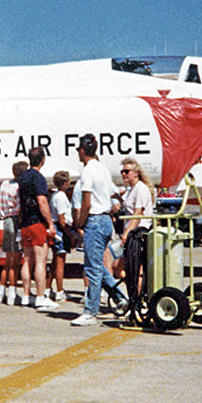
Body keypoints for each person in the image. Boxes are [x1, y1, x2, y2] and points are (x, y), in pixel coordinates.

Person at [71, 134, 128, 326]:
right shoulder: (102, 168)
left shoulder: (87, 171)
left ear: (81, 150)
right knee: (98, 266)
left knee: (92, 268)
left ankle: (90, 311)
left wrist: (79, 222)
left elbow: (86, 202)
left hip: (94, 220)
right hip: (106, 220)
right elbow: (115, 193)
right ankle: (120, 298)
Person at [17, 147, 57, 310]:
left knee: (27, 259)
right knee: (41, 260)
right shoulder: (38, 178)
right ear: (43, 160)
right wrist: (50, 223)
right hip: (36, 222)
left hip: (25, 223)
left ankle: (26, 295)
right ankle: (40, 297)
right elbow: (42, 201)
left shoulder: (23, 177)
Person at [117, 158, 153, 296]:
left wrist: (126, 233)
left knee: (135, 269)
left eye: (127, 171)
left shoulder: (140, 189)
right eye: (122, 172)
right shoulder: (131, 189)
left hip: (138, 232)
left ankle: (138, 298)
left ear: (136, 173)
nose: (124, 174)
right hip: (132, 232)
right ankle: (134, 296)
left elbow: (138, 213)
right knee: (121, 268)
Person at [0, 160, 27, 305]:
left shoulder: (4, 184)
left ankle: (0, 293)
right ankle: (12, 294)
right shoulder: (20, 187)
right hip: (15, 221)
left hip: (6, 221)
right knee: (15, 262)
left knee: (7, 260)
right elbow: (19, 208)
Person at [48, 171, 73, 302]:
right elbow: (62, 219)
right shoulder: (62, 196)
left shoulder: (55, 195)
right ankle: (59, 291)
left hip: (57, 227)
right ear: (64, 183)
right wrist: (70, 234)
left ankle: (49, 288)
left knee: (54, 261)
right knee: (60, 262)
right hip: (61, 229)